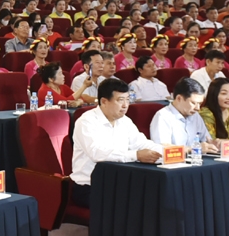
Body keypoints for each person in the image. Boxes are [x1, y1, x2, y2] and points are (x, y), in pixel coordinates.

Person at [69, 79, 162, 208]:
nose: (125, 105)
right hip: (90, 186)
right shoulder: (86, 121)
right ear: (104, 101)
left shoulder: (125, 121)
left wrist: (169, 152)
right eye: (120, 100)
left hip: (120, 182)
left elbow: (142, 144)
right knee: (133, 203)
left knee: (154, 195)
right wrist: (136, 155)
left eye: (127, 100)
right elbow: (97, 153)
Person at [149, 78, 217, 150]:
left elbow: (206, 140)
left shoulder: (195, 115)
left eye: (200, 103)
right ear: (179, 98)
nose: (198, 108)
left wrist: (214, 144)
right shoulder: (163, 116)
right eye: (193, 103)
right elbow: (161, 148)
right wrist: (193, 149)